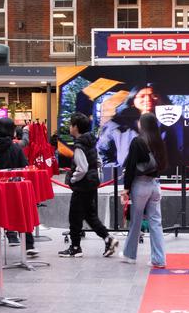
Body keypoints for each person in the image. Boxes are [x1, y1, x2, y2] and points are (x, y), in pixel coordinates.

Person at [59, 113, 119, 258]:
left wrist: (73, 179)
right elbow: (98, 161)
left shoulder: (79, 145)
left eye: (71, 125)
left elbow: (82, 168)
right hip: (91, 183)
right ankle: (108, 238)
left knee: (75, 216)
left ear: (76, 127)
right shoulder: (91, 141)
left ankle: (75, 247)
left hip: (82, 185)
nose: (69, 127)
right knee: (89, 214)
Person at [121, 113, 167, 268]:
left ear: (142, 124)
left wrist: (126, 188)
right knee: (156, 222)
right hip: (155, 184)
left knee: (136, 221)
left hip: (140, 185)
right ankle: (159, 259)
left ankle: (130, 255)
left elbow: (131, 167)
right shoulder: (159, 141)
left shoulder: (137, 141)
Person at [0, 117, 37, 257]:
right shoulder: (15, 147)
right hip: (14, 188)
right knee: (22, 213)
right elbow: (24, 167)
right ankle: (28, 244)